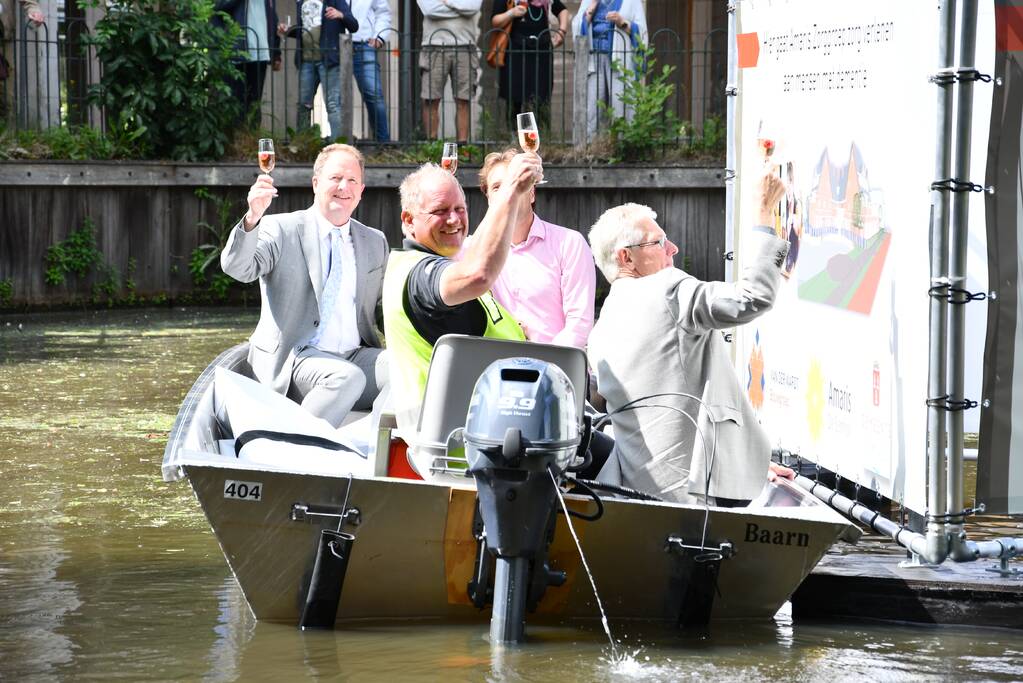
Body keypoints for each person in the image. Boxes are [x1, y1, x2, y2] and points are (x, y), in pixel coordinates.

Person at [586, 167, 796, 505]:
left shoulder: (601, 329)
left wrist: (742, 464)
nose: (674, 248)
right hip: (692, 498)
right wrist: (762, 217)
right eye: (659, 242)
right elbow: (753, 297)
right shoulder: (665, 288)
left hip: (631, 494)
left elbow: (668, 407)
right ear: (627, 257)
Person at [221, 144, 389, 428]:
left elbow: (384, 312)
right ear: (315, 184)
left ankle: (373, 451)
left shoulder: (375, 241)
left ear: (361, 190)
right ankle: (290, 441)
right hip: (294, 359)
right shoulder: (280, 228)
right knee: (347, 378)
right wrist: (252, 218)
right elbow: (238, 268)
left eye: (352, 180)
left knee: (410, 372)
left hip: (354, 355)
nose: (343, 187)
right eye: (335, 178)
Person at [383, 154, 541, 433]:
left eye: (460, 208)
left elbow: (477, 246)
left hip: (495, 417)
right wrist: (511, 190)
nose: (454, 219)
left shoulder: (443, 260)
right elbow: (478, 274)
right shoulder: (420, 274)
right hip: (459, 436)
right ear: (408, 220)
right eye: (440, 211)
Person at [476, 148, 595, 348]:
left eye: (515, 184)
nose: (508, 193)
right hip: (494, 369)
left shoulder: (569, 243)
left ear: (531, 193)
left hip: (555, 367)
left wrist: (546, 363)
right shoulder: (473, 251)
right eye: (498, 187)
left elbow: (579, 323)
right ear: (488, 198)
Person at [279, 0, 358, 139]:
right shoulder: (302, 2)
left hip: (328, 60)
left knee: (333, 104)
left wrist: (341, 15)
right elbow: (304, 31)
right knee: (304, 104)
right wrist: (289, 30)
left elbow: (354, 25)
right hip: (306, 61)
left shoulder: (336, 1)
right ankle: (303, 145)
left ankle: (337, 146)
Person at [571, 0, 646, 142]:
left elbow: (642, 33)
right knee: (592, 109)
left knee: (621, 106)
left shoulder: (632, 2)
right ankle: (590, 150)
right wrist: (590, 10)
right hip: (593, 61)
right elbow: (576, 28)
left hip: (619, 61)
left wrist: (622, 22)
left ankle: (623, 147)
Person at [490, 0, 570, 129]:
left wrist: (562, 31)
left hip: (541, 51)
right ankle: (515, 137)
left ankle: (541, 137)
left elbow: (562, 10)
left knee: (541, 97)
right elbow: (495, 20)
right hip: (516, 51)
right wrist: (511, 13)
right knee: (514, 96)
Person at [417, 0, 482, 141]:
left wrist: (447, 2)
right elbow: (429, 10)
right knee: (430, 99)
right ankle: (432, 148)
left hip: (465, 46)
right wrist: (459, 7)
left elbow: (473, 8)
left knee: (463, 100)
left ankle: (462, 149)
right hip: (433, 45)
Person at [214, 0, 282, 123]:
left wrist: (276, 53)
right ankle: (237, 137)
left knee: (255, 102)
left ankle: (251, 137)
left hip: (261, 55)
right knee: (236, 101)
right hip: (237, 54)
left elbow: (273, 22)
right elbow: (218, 7)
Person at [349, 0, 391, 141]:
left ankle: (383, 144)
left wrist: (379, 36)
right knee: (335, 100)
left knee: (374, 95)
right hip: (334, 43)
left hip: (363, 43)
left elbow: (383, 12)